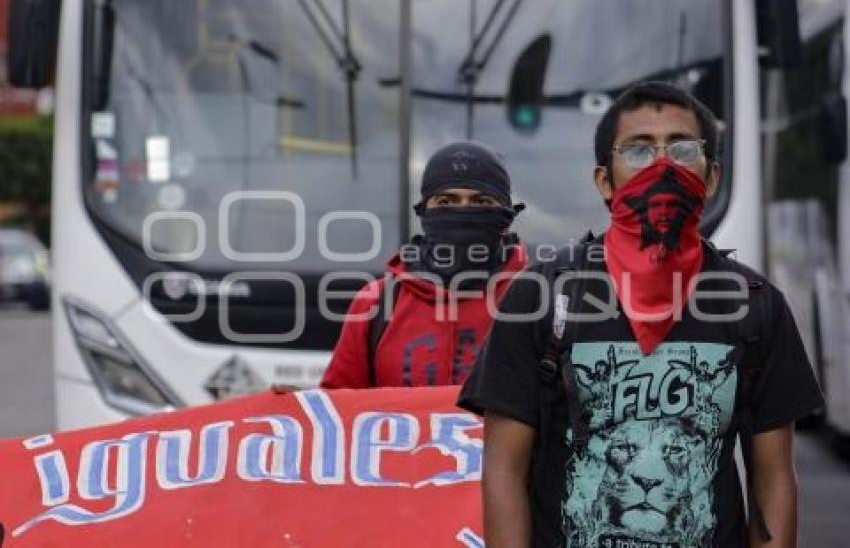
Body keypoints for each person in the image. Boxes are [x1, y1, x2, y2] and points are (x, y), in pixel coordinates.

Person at [458, 82, 824, 547]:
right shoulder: (539, 297)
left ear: (711, 177)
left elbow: (772, 479)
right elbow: (504, 470)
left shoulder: (757, 304)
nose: (663, 166)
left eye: (682, 148)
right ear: (604, 182)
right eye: (638, 150)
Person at [320, 140, 528, 388]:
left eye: (481, 202)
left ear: (508, 213)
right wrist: (294, 406)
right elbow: (336, 408)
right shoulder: (376, 303)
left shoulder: (537, 299)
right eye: (446, 202)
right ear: (423, 211)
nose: (463, 212)